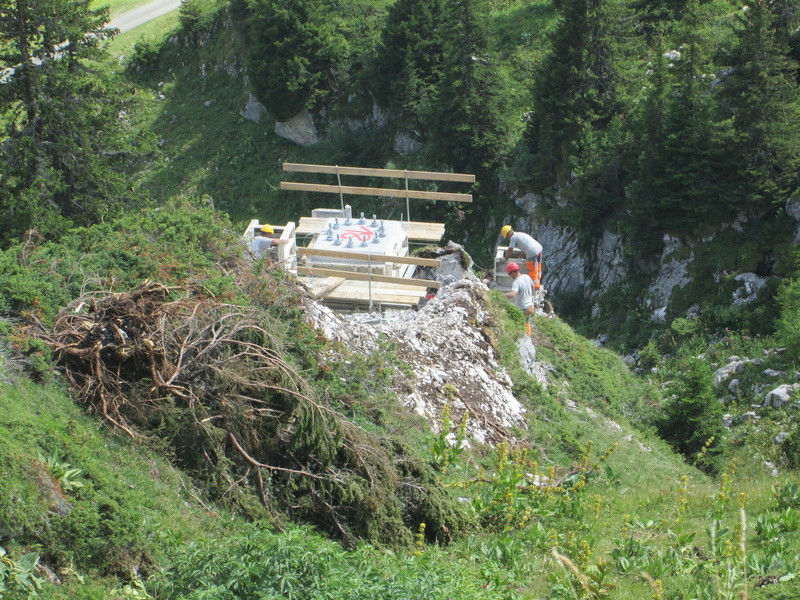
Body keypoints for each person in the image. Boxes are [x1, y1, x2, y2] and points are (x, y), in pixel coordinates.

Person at [500, 225, 543, 289]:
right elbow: (526, 246)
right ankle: (538, 283)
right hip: (539, 249)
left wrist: (506, 258)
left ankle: (534, 286)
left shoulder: (513, 238)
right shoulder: (520, 234)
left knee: (532, 269)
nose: (508, 237)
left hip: (532, 252)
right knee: (538, 267)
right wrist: (521, 256)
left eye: (507, 236)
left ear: (508, 234)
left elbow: (510, 250)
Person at [504, 262, 534, 336]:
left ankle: (519, 338)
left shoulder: (516, 282)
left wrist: (501, 295)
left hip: (523, 308)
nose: (509, 276)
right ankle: (528, 337)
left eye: (509, 274)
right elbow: (533, 287)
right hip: (530, 306)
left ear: (513, 272)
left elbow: (513, 294)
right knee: (526, 322)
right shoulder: (526, 276)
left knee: (516, 323)